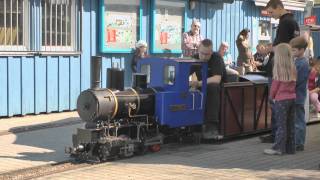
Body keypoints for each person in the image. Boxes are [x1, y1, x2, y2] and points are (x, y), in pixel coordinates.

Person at [260, 0, 300, 143]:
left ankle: (276, 135)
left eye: (271, 12)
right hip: (288, 68)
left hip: (278, 67)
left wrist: (266, 49)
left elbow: (281, 46)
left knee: (275, 102)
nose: (271, 15)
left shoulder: (284, 23)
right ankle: (283, 136)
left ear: (279, 8)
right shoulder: (293, 22)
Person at [189, 39, 227, 139]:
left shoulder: (216, 58)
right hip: (203, 87)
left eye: (207, 54)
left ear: (211, 52)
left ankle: (212, 126)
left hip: (222, 90)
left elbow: (217, 78)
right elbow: (184, 73)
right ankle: (192, 124)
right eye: (202, 53)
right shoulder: (195, 59)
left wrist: (198, 83)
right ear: (198, 50)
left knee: (212, 87)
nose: (205, 57)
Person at [264, 43, 297, 155]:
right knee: (290, 124)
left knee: (281, 125)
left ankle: (278, 148)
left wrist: (271, 97)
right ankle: (290, 148)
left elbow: (274, 86)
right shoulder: (293, 68)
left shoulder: (278, 69)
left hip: (281, 100)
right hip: (292, 99)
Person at [290, 36, 310, 152]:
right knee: (296, 120)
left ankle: (299, 143)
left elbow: (298, 80)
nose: (292, 52)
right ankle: (296, 141)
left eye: (294, 50)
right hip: (295, 95)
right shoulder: (297, 61)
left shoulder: (303, 63)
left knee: (299, 120)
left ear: (302, 50)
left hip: (298, 96)